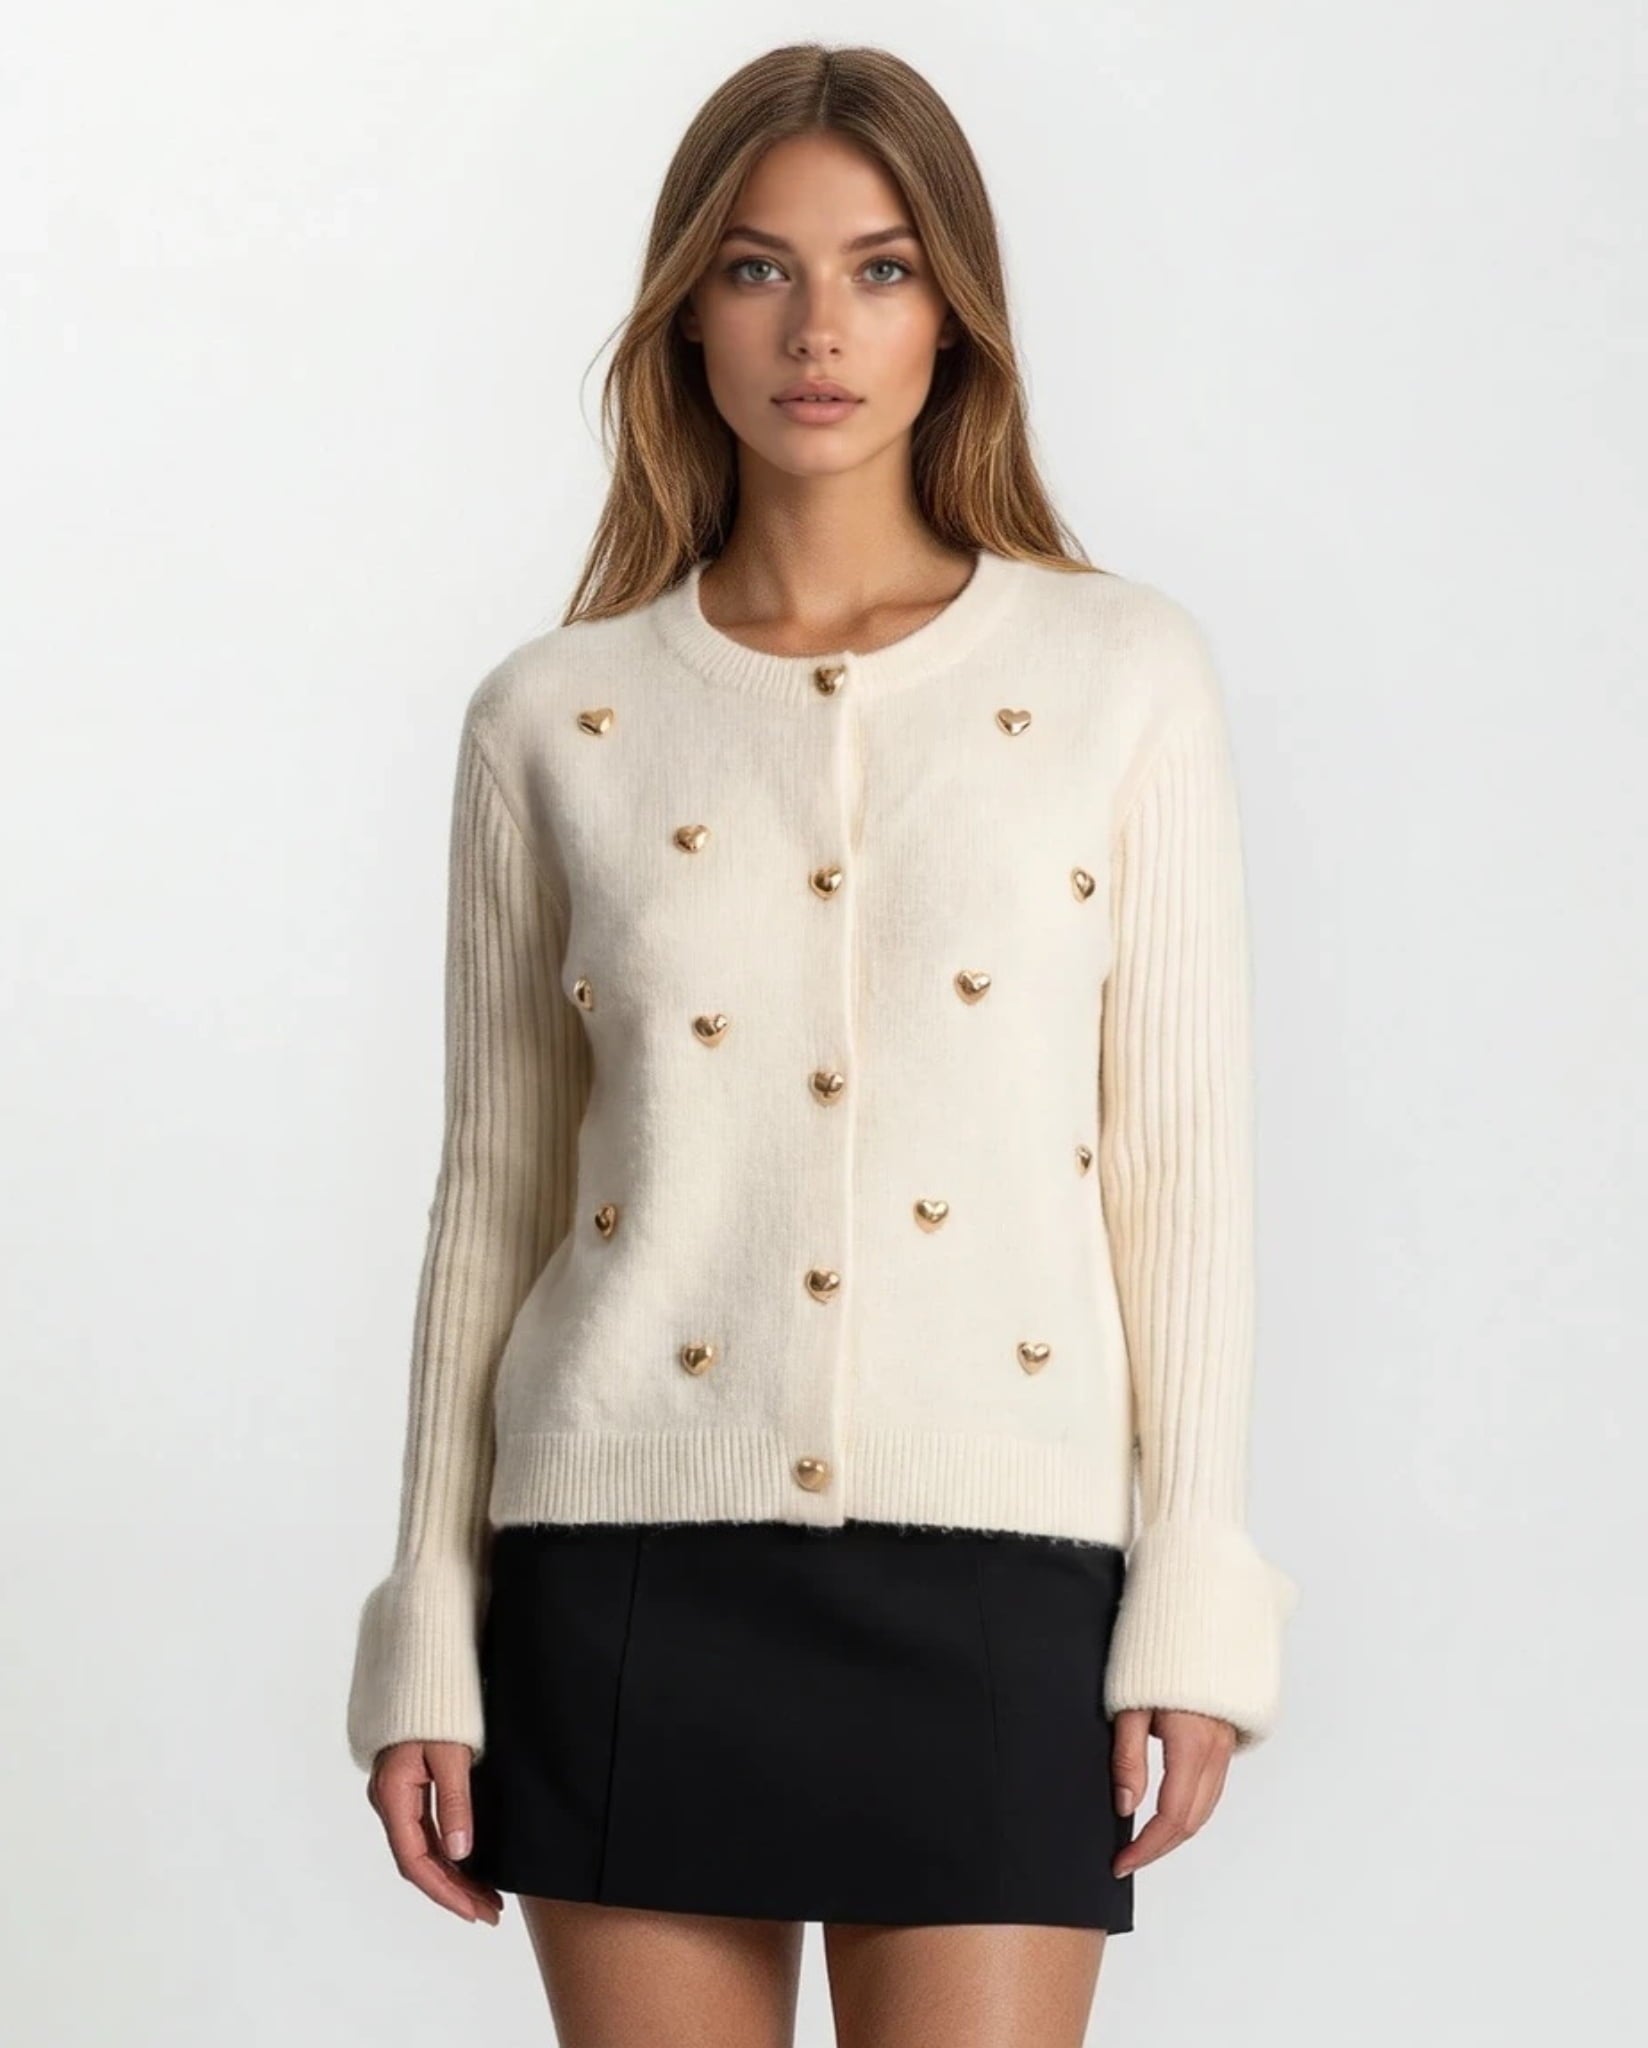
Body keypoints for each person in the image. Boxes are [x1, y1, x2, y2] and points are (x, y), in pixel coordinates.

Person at [345, 39, 1299, 2043]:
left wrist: (1194, 1593)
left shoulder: (1121, 674)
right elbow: (494, 1194)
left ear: (955, 311)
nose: (817, 331)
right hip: (619, 1567)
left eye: (879, 268)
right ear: (684, 309)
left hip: (1004, 1570)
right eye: (757, 268)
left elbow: (1179, 1165)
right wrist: (428, 1620)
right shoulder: (553, 717)